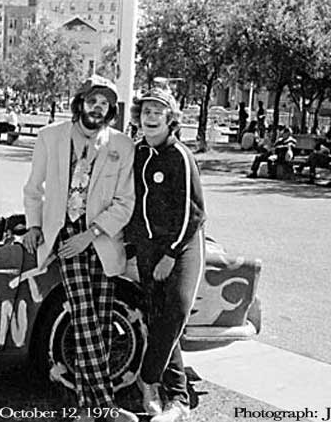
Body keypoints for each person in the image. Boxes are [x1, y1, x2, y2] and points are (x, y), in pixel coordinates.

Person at [22, 75, 138, 422]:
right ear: (80, 102)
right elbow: (33, 189)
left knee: (100, 323)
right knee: (85, 317)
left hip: (99, 239)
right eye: (92, 101)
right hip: (64, 239)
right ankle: (104, 408)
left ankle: (88, 410)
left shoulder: (122, 145)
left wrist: (90, 235)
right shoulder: (50, 138)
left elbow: (125, 202)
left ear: (111, 110)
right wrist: (34, 226)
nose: (97, 108)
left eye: (104, 103)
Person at [127, 88, 206, 422]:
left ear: (171, 117)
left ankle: (147, 379)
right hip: (149, 247)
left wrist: (171, 254)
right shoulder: (137, 153)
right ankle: (176, 398)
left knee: (175, 310)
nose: (151, 116)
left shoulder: (180, 155)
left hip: (183, 246)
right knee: (159, 320)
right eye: (146, 110)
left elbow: (194, 211)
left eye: (159, 110)